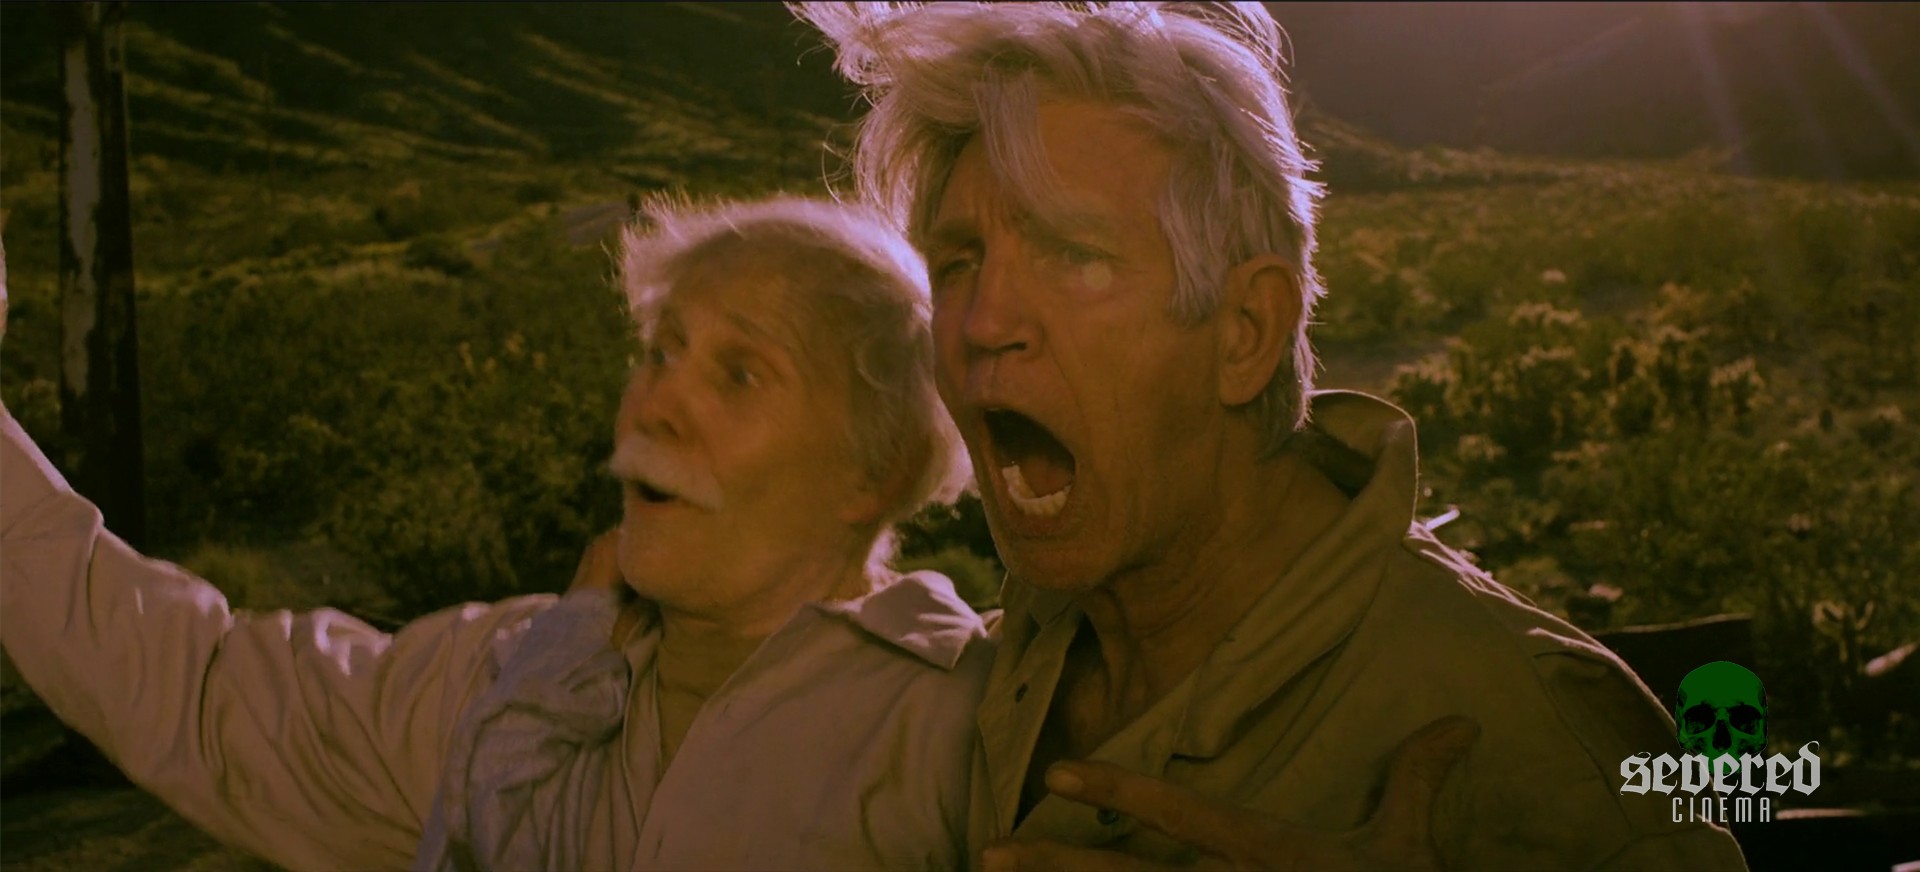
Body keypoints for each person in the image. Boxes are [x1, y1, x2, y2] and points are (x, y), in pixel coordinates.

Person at [797, 3, 1752, 869]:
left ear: (1246, 331)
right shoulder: (996, 670)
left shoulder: (1520, 734)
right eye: (958, 263)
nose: (981, 321)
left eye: (1073, 254)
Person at [0, 196, 992, 870]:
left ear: (876, 468)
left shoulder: (972, 737)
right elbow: (201, 689)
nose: (656, 405)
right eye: (661, 351)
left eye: (739, 374)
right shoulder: (499, 673)